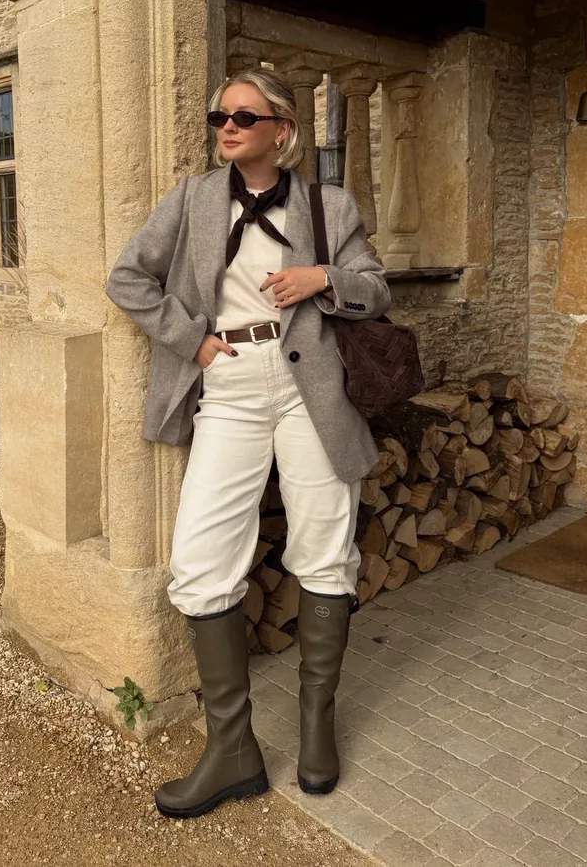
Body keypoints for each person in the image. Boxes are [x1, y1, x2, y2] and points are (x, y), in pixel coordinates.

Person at [105, 67, 391, 820]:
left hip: (311, 388)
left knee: (326, 551)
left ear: (281, 130)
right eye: (219, 117)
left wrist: (322, 277)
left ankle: (316, 726)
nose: (226, 127)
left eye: (243, 116)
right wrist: (191, 340)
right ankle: (233, 750)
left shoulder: (328, 203)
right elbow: (128, 277)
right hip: (228, 384)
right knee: (199, 563)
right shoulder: (194, 199)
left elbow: (375, 286)